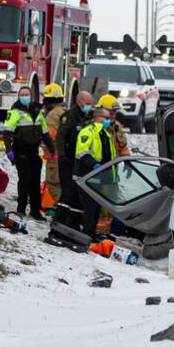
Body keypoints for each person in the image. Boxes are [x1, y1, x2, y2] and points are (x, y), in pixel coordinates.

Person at [2, 86, 54, 220]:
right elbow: (7, 133)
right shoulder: (14, 112)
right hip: (20, 151)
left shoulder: (38, 112)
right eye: (22, 94)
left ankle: (35, 210)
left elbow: (45, 134)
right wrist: (9, 150)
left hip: (33, 151)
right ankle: (21, 208)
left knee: (35, 182)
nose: (24, 96)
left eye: (26, 94)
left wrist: (52, 148)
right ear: (19, 97)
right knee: (24, 180)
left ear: (31, 96)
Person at [75, 107, 118, 236]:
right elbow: (82, 152)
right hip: (88, 175)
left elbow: (109, 156)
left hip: (101, 176)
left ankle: (92, 232)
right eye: (105, 118)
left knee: (97, 207)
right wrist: (94, 165)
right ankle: (87, 233)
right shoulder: (87, 132)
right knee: (90, 207)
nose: (108, 120)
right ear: (97, 118)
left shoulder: (105, 134)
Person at [54, 90, 94, 226]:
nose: (89, 106)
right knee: (68, 192)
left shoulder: (88, 117)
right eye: (87, 103)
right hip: (68, 160)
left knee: (78, 194)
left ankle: (73, 223)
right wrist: (62, 155)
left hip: (80, 162)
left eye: (90, 103)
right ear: (79, 102)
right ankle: (59, 220)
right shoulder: (70, 116)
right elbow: (60, 137)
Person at [40, 83, 67, 212]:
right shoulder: (65, 112)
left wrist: (44, 147)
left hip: (54, 158)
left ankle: (61, 211)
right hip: (65, 157)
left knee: (54, 185)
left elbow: (49, 138)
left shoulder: (52, 116)